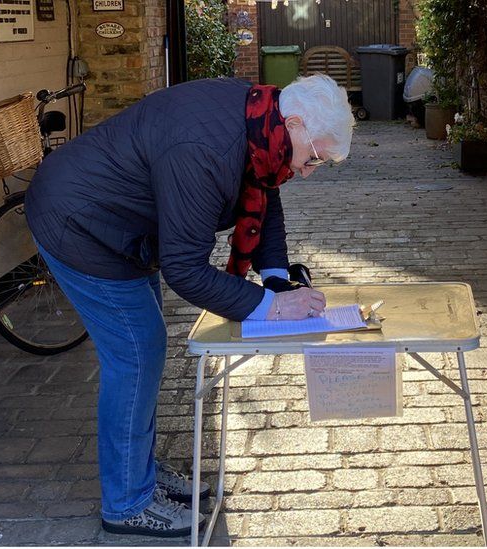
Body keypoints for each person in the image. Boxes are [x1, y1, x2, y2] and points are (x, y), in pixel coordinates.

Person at [25, 74, 355, 537]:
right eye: (314, 158)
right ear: (296, 123)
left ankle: (137, 474)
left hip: (125, 228)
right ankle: (125, 503)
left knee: (144, 351)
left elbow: (265, 195)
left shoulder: (263, 120)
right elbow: (185, 270)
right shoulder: (204, 150)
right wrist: (272, 308)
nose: (307, 171)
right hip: (81, 223)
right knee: (138, 354)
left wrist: (277, 281)